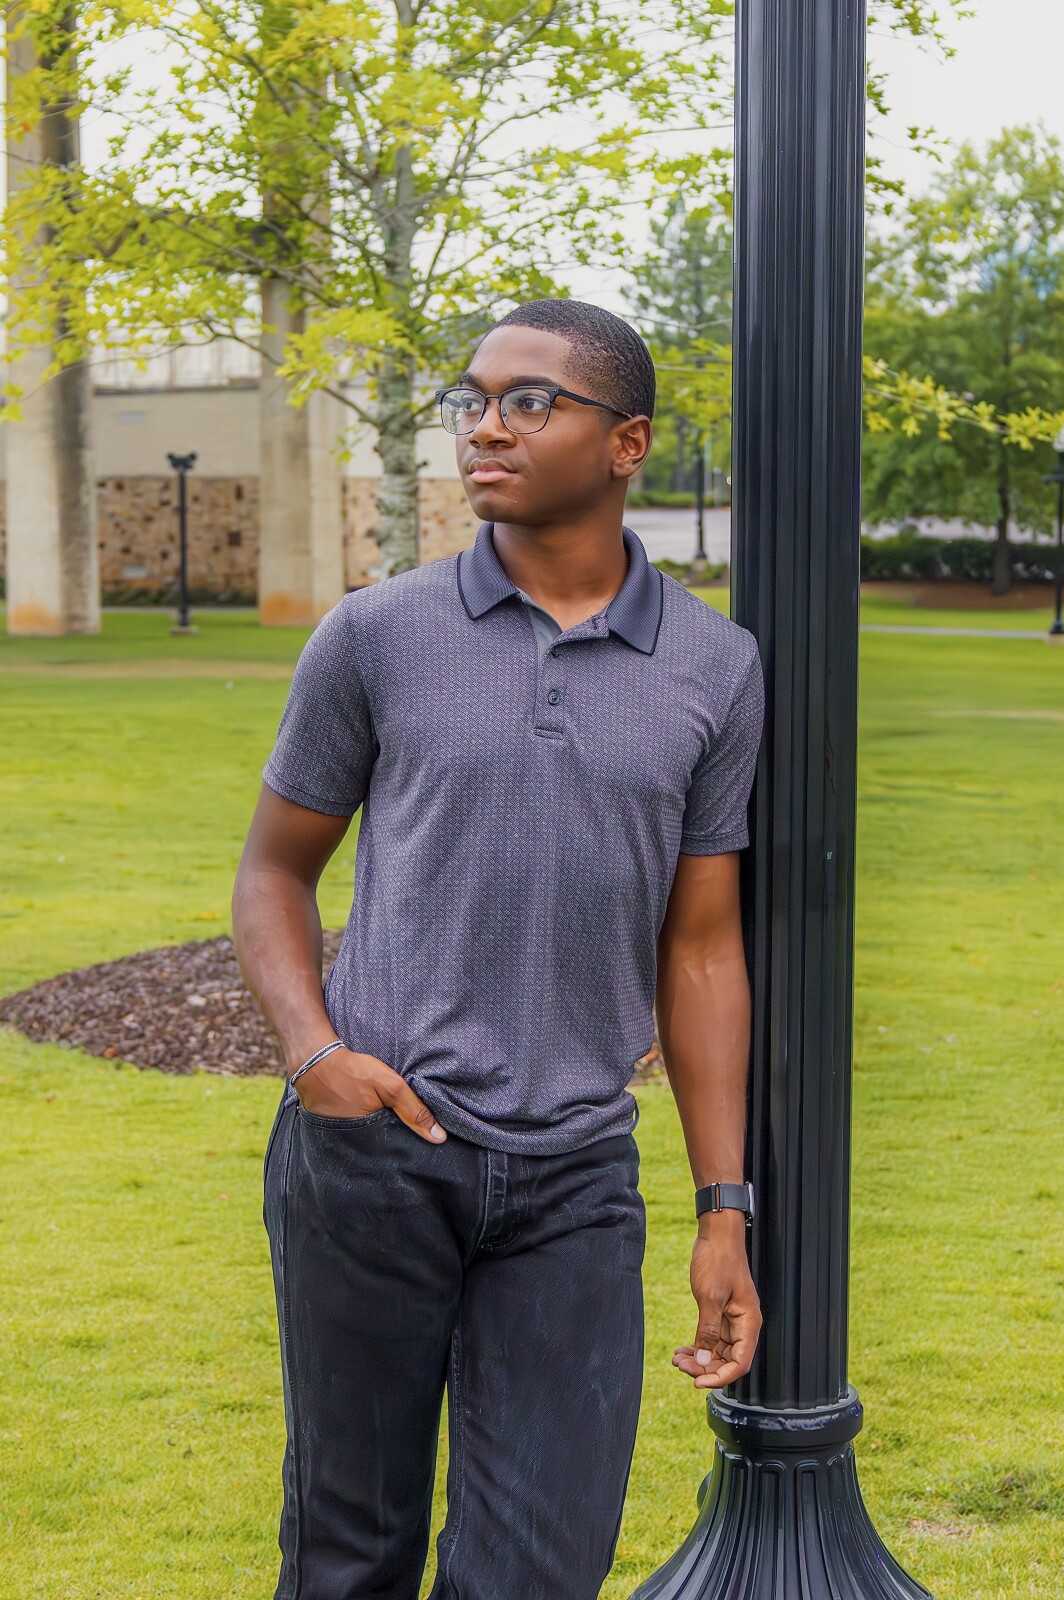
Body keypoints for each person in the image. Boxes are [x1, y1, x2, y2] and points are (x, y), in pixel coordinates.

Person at [232, 298, 765, 1600]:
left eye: (530, 402)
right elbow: (273, 873)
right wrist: (315, 1059)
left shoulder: (715, 666)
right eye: (472, 401)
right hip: (373, 1157)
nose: (485, 428)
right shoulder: (376, 633)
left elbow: (702, 950)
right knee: (348, 1556)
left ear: (627, 442)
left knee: (536, 1569)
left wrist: (723, 1209)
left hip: (576, 1181)